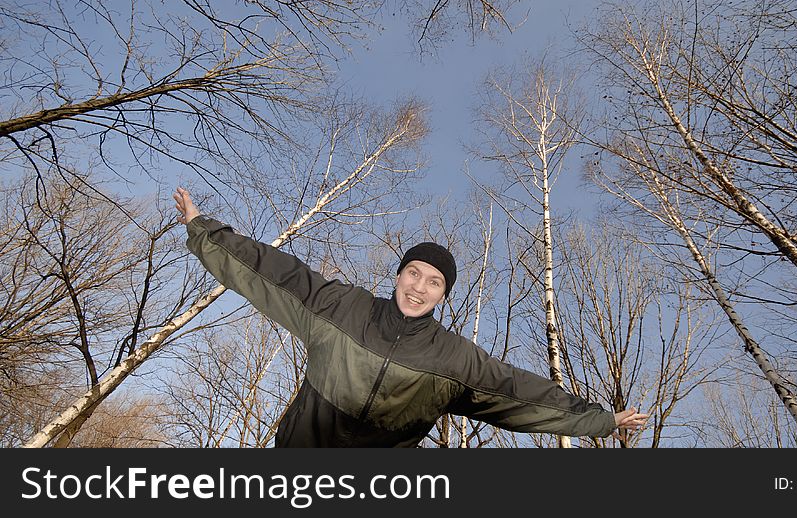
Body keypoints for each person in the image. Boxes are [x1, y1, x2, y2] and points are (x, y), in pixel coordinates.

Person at [174, 187, 648, 447]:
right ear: (399, 275)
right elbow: (277, 273)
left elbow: (515, 392)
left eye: (433, 282)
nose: (419, 287)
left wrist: (601, 420)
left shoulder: (454, 358)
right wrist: (203, 231)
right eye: (413, 274)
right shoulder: (342, 306)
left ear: (443, 296)